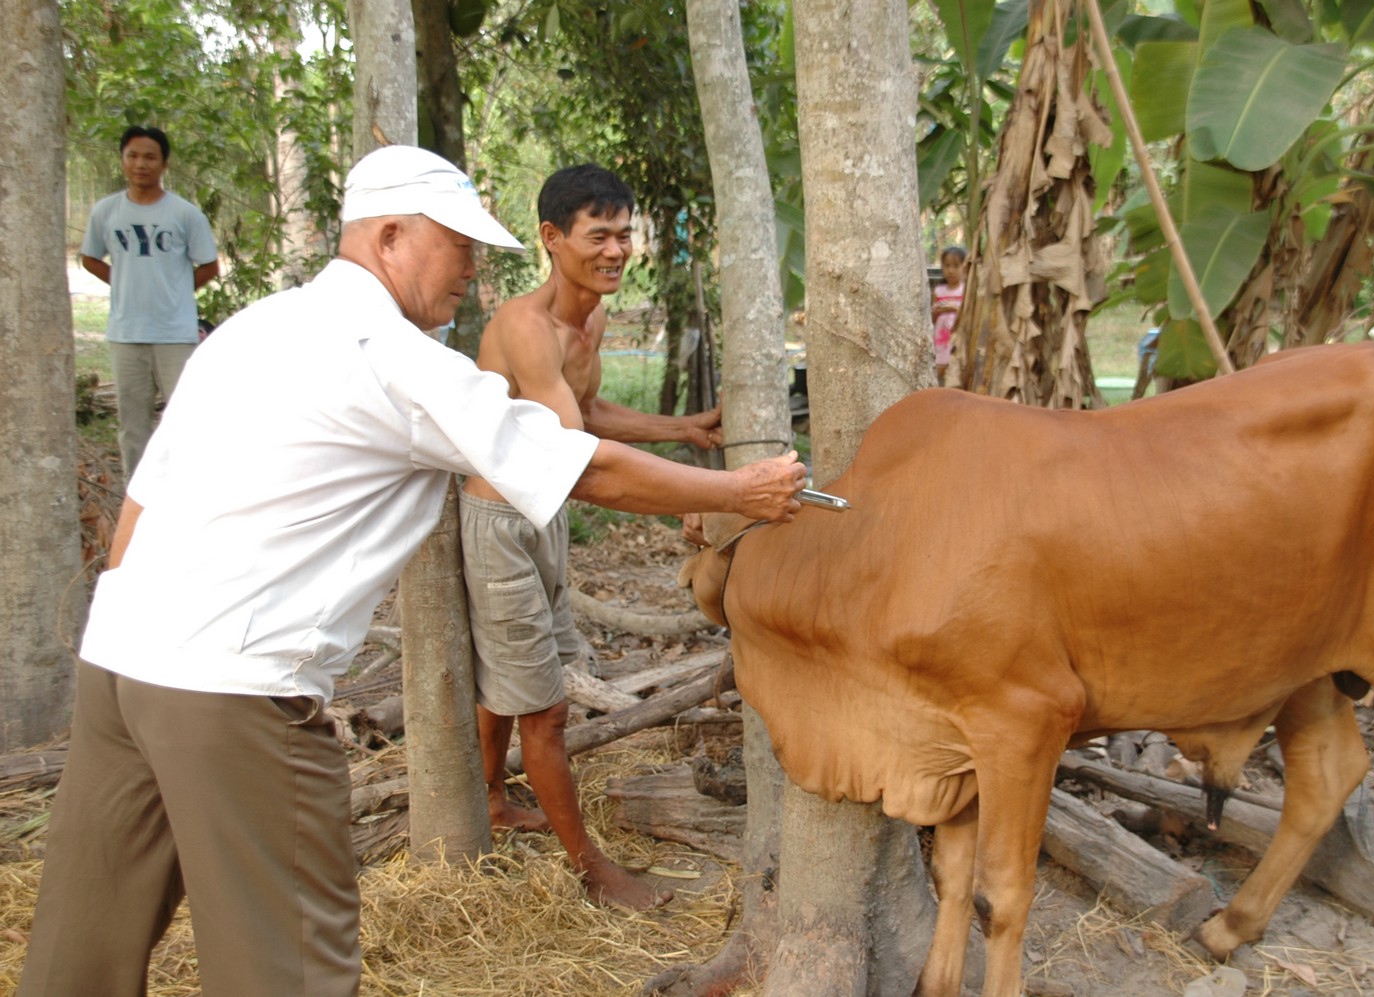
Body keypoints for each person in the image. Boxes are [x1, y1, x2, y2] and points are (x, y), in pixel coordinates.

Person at [18, 146, 805, 997]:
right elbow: (581, 465)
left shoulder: (251, 328)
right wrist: (741, 489)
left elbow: (140, 509)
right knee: (291, 971)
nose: (473, 267)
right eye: (458, 244)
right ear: (390, 236)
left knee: (78, 958)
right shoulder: (393, 356)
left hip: (121, 665)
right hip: (235, 690)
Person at [460, 164, 721, 911]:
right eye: (598, 235)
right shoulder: (522, 327)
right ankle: (592, 870)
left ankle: (490, 800)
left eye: (624, 234)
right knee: (542, 707)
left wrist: (685, 432)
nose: (616, 250)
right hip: (503, 521)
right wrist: (692, 497)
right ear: (551, 238)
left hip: (543, 520)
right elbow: (575, 457)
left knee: (513, 676)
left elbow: (590, 410)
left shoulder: (591, 320)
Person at [80, 125, 220, 482]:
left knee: (185, 417)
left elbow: (209, 265)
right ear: (123, 161)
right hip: (126, 332)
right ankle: (137, 498)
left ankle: (189, 487)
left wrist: (175, 289)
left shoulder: (185, 214)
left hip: (175, 332)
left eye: (150, 157)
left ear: (164, 164)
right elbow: (90, 257)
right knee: (133, 423)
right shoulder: (107, 211)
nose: (141, 164)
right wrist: (122, 281)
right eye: (133, 156)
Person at [930, 245, 966, 386]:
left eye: (956, 266)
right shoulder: (939, 291)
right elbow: (931, 320)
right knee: (937, 371)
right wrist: (936, 312)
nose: (951, 270)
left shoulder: (965, 290)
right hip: (940, 340)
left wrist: (955, 309)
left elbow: (967, 316)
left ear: (964, 267)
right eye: (947, 266)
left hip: (957, 340)